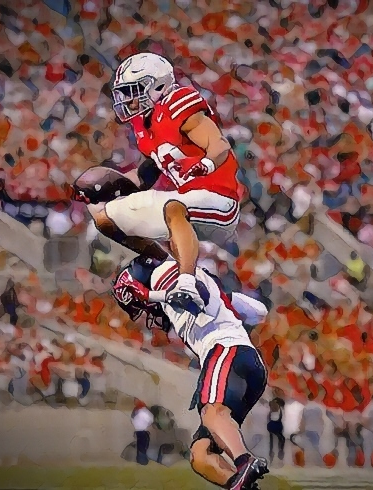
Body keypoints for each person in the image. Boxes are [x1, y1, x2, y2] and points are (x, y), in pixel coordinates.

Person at [75, 52, 243, 314]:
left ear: (158, 86)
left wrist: (205, 164)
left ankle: (186, 282)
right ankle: (166, 265)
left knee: (173, 207)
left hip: (219, 198)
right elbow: (145, 176)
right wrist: (108, 185)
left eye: (133, 90)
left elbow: (219, 145)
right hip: (185, 198)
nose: (127, 99)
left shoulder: (178, 103)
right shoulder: (144, 124)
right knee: (103, 216)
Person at [111, 255, 269, 490]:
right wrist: (227, 300)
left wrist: (150, 295)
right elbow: (260, 312)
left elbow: (188, 290)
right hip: (246, 363)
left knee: (212, 412)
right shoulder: (193, 287)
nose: (146, 312)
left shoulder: (168, 276)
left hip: (226, 350)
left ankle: (245, 461)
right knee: (201, 455)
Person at [132, 399, 154, 466]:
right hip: (143, 431)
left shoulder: (136, 411)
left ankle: (140, 459)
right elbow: (151, 420)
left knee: (140, 445)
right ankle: (142, 460)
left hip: (138, 431)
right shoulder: (144, 412)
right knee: (143, 445)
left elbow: (133, 420)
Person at [267, 397, 285, 465]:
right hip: (277, 426)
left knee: (271, 442)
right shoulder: (279, 410)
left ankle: (272, 454)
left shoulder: (271, 409)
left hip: (271, 425)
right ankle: (280, 452)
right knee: (281, 439)